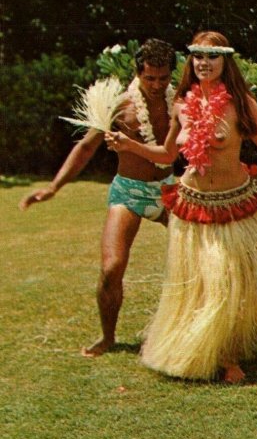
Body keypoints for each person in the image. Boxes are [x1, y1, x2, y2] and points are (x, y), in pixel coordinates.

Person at [105, 30, 257, 383]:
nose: (204, 63)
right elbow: (168, 155)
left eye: (212, 56)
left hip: (232, 203)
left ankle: (228, 355)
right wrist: (128, 144)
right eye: (198, 56)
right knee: (201, 285)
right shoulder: (181, 103)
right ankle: (206, 350)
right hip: (191, 206)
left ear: (225, 61)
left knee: (228, 282)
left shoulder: (241, 103)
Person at [19, 38, 176, 357]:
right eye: (150, 78)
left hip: (169, 190)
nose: (157, 85)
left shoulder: (182, 104)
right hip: (128, 192)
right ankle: (108, 337)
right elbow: (86, 147)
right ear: (138, 72)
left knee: (202, 260)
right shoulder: (120, 105)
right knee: (111, 268)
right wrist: (54, 187)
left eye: (163, 78)